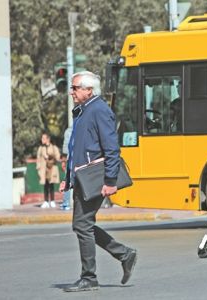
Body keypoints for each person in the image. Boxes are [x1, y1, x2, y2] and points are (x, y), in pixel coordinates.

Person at [59, 71, 137, 292]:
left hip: (95, 177)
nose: (71, 92)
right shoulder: (84, 111)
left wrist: (111, 181)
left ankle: (89, 276)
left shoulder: (99, 110)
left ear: (88, 90)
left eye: (75, 88)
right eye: (72, 88)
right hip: (82, 177)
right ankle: (124, 254)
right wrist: (68, 178)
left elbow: (112, 148)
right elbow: (77, 148)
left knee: (82, 225)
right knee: (83, 225)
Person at [36, 133, 60, 208]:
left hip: (52, 168)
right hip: (44, 169)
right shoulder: (40, 148)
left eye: (44, 138)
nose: (42, 140)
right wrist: (38, 168)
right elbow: (38, 158)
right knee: (45, 185)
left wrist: (51, 156)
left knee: (51, 184)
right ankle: (46, 201)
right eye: (42, 138)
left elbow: (58, 157)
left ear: (48, 139)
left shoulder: (54, 147)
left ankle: (52, 200)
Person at [60, 127, 72, 210]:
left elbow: (65, 148)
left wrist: (64, 161)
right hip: (82, 160)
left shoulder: (69, 130)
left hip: (70, 159)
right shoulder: (85, 126)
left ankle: (66, 203)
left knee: (67, 180)